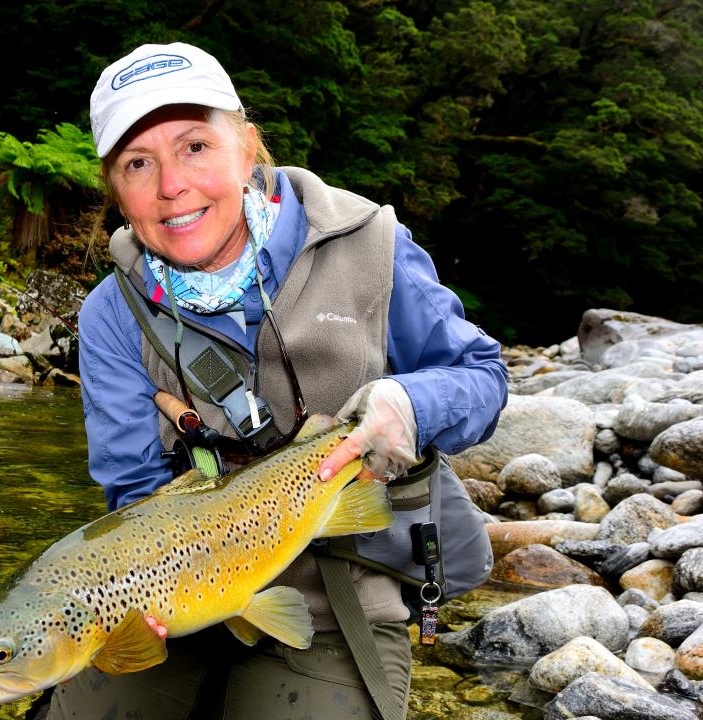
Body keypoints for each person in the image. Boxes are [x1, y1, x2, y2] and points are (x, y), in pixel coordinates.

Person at [36, 42, 509, 720]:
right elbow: (133, 492)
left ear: (247, 144)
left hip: (343, 587)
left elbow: (483, 377)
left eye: (195, 145)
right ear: (115, 190)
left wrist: (412, 402)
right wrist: (143, 608)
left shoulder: (371, 245)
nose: (172, 185)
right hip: (180, 591)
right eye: (139, 163)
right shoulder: (111, 314)